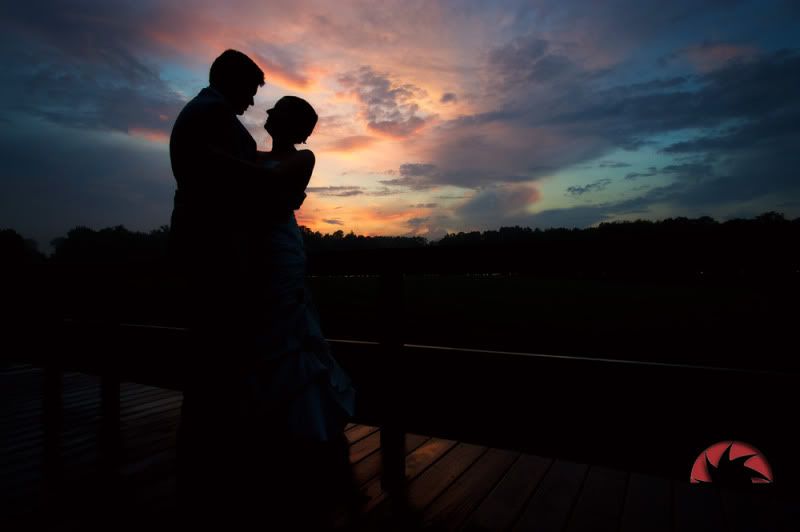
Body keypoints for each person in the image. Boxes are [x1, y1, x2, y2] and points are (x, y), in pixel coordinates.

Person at [168, 50, 315, 526]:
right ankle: (217, 443)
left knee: (234, 344)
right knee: (221, 345)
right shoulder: (211, 114)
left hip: (252, 250)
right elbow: (219, 177)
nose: (256, 102)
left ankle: (230, 437)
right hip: (218, 248)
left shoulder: (216, 119)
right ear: (231, 81)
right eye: (252, 90)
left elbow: (245, 178)